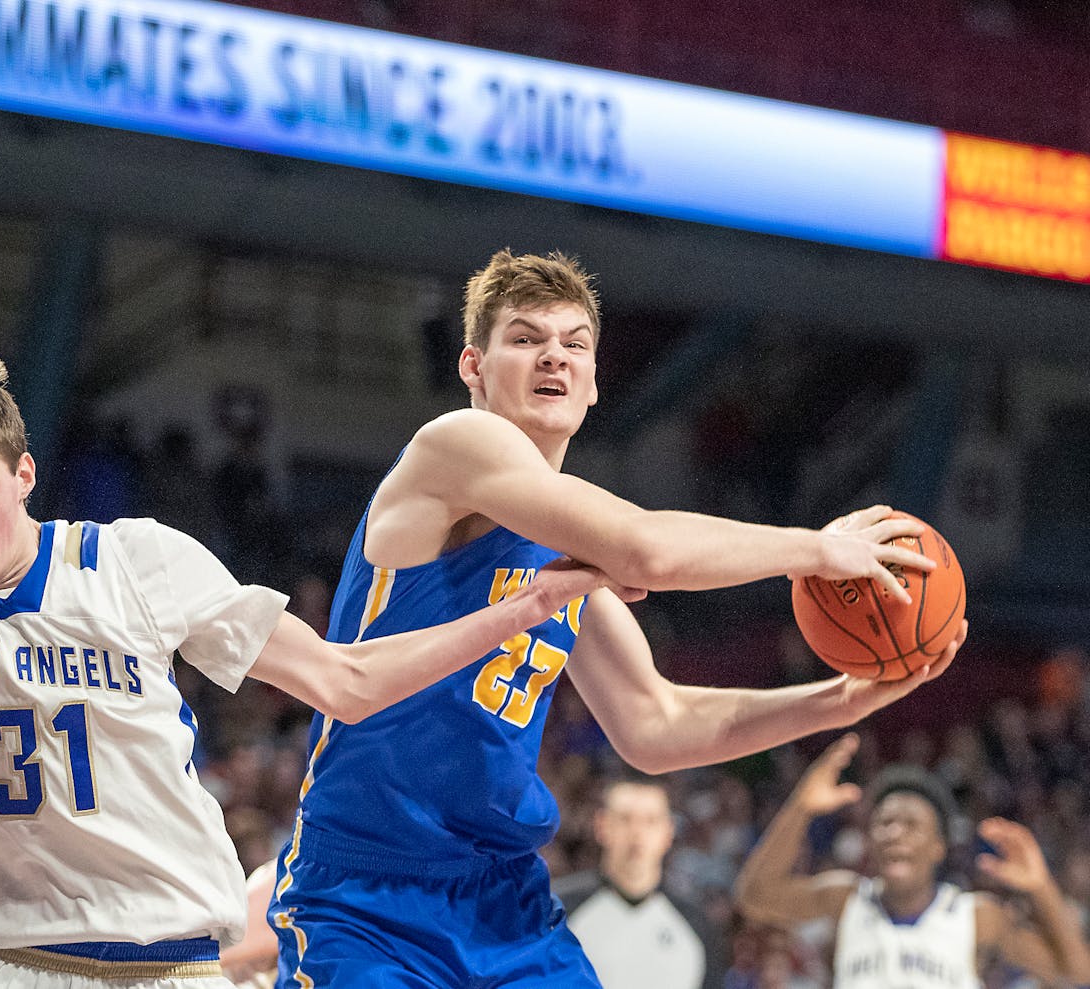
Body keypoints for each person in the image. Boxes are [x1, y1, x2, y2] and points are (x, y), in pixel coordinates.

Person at [0, 44, 607, 988]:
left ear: (24, 474)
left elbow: (343, 679)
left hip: (175, 967)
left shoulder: (135, 560)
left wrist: (513, 614)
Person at [269, 247, 968, 988]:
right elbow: (645, 550)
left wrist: (839, 699)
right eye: (525, 338)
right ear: (473, 365)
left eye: (574, 343)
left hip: (501, 897)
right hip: (369, 889)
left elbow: (656, 723)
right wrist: (817, 550)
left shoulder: (570, 552)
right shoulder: (456, 445)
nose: (554, 357)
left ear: (596, 381)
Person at [734, 733, 1090, 987]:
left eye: (912, 825)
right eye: (885, 823)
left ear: (938, 847)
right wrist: (801, 807)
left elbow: (1077, 972)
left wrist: (1042, 885)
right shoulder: (846, 899)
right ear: (870, 839)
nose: (895, 833)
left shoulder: (975, 915)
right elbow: (753, 896)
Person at [552, 780, 718, 989]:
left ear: (668, 832)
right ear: (602, 825)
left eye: (650, 820)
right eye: (625, 819)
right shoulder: (558, 910)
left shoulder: (697, 921)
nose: (637, 833)